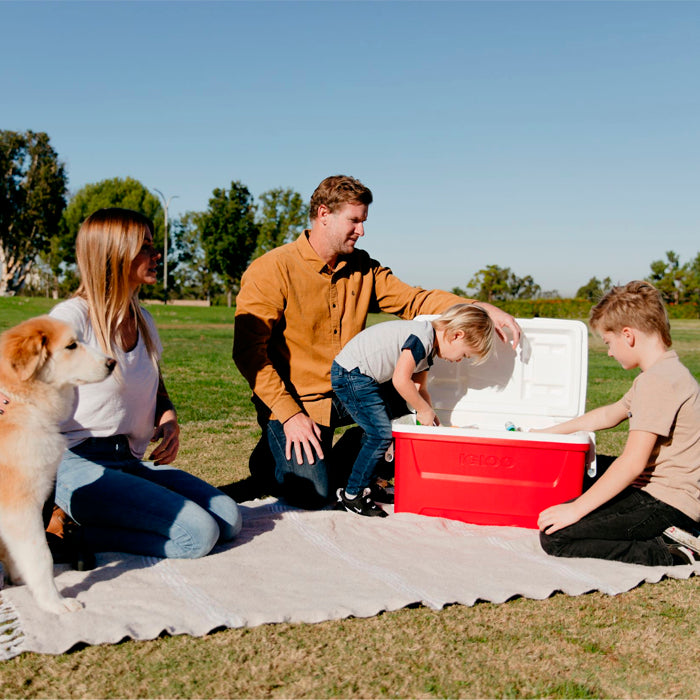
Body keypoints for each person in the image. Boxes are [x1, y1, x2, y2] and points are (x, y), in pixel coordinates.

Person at [233, 174, 520, 509]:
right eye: (354, 221)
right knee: (315, 495)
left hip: (347, 389)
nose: (362, 230)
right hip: (297, 401)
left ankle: (351, 455)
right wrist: (288, 414)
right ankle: (270, 459)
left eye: (364, 221)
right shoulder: (272, 269)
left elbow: (414, 300)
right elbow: (248, 352)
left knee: (409, 393)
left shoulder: (363, 267)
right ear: (323, 214)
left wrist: (477, 307)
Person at [48, 208, 242, 559]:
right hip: (75, 465)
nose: (157, 255)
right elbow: (21, 369)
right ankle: (68, 535)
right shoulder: (72, 318)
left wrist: (167, 417)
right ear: (114, 254)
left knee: (229, 520)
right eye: (146, 246)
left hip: (129, 461)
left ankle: (90, 523)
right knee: (197, 536)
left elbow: (154, 385)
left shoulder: (143, 320)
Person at [537, 281, 700, 566]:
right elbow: (608, 415)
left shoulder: (658, 382)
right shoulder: (663, 372)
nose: (609, 352)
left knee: (556, 535)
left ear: (628, 335)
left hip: (668, 503)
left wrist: (575, 511)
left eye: (608, 342)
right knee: (581, 474)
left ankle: (675, 549)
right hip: (658, 488)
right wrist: (543, 434)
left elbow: (632, 463)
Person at [331, 303, 495, 516]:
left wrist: (432, 418)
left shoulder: (427, 350)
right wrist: (423, 411)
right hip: (352, 374)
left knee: (383, 431)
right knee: (380, 434)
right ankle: (352, 495)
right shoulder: (422, 338)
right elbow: (401, 380)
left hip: (363, 377)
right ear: (457, 335)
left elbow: (420, 388)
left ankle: (370, 483)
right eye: (464, 354)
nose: (458, 361)